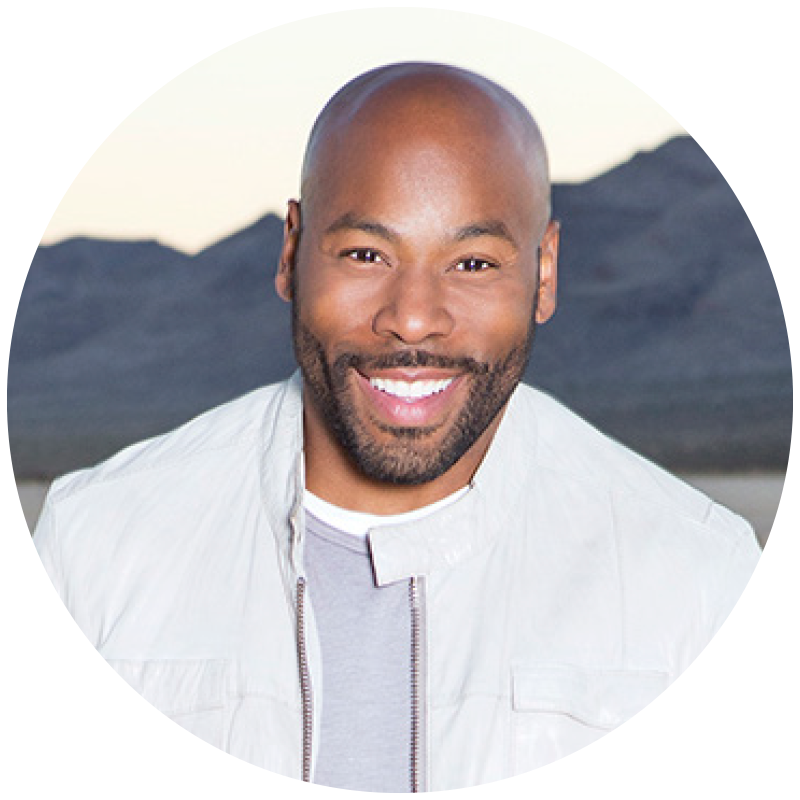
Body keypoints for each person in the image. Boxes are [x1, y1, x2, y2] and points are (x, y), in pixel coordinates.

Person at [32, 62, 761, 792]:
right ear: (291, 251)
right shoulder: (94, 546)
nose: (413, 317)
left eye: (473, 262)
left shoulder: (696, 578)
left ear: (544, 274)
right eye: (365, 254)